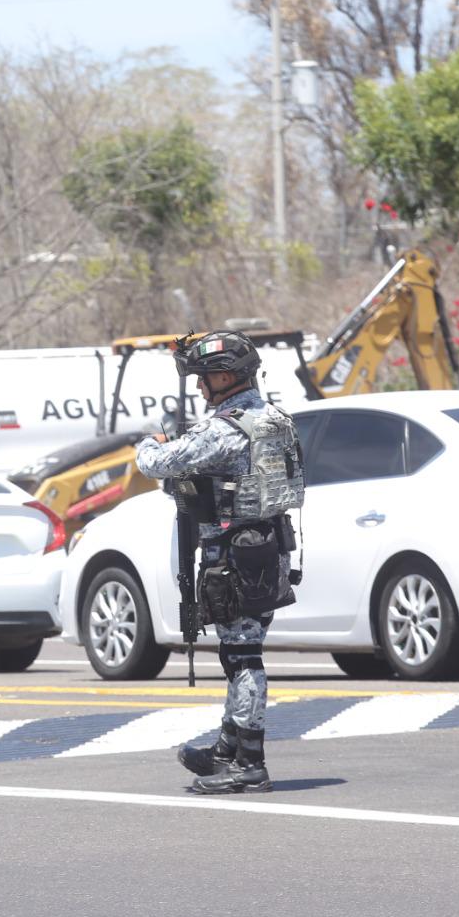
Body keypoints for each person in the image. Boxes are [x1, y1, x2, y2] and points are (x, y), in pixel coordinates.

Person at [133, 331, 305, 794]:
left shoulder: (225, 428)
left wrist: (146, 444)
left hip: (234, 554)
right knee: (239, 649)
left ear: (226, 376)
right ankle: (228, 748)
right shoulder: (275, 418)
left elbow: (161, 463)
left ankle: (250, 761)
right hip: (268, 547)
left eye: (203, 378)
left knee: (243, 655)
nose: (199, 388)